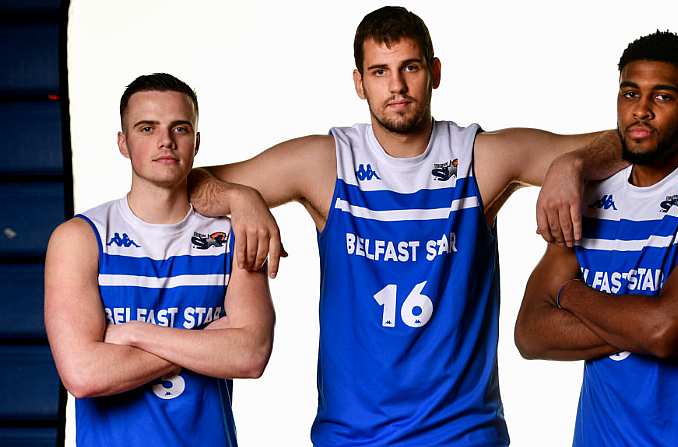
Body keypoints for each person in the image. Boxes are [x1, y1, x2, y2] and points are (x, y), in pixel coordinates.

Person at [189, 6, 624, 446]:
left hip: (463, 435)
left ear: (434, 72)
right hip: (353, 436)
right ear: (360, 83)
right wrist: (239, 197)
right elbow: (184, 183)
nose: (396, 86)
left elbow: (628, 142)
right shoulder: (327, 162)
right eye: (380, 71)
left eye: (409, 68)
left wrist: (575, 162)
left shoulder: (479, 157)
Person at [514, 31, 678, 445]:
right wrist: (649, 324)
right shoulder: (592, 199)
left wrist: (570, 295)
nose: (640, 110)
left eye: (662, 97)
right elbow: (530, 333)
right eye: (630, 93)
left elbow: (666, 331)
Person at [44, 73, 275, 446]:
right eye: (147, 128)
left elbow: (250, 355)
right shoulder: (80, 239)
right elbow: (83, 375)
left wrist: (134, 334)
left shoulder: (232, 237)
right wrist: (205, 343)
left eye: (179, 128)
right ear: (123, 142)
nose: (165, 141)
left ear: (196, 142)